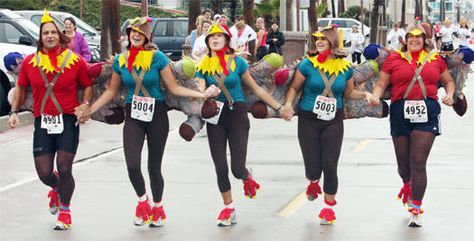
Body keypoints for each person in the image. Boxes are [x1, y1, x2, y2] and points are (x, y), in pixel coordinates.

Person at [79, 17, 220, 227]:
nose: (136, 35)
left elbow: (173, 88)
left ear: (147, 37)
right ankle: (142, 201)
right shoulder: (121, 60)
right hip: (133, 115)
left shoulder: (158, 58)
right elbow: (111, 90)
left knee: (154, 166)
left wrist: (200, 95)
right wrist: (90, 109)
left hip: (157, 115)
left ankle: (157, 206)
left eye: (140, 32)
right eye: (132, 31)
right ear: (128, 35)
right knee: (132, 164)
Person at [8, 10, 93, 230]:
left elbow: (88, 85)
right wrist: (14, 112)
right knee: (45, 172)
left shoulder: (74, 61)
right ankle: (56, 187)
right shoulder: (30, 62)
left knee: (65, 167)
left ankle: (65, 210)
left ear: (60, 35)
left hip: (67, 121)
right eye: (45, 33)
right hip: (43, 122)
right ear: (41, 37)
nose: (50, 36)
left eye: (53, 32)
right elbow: (20, 86)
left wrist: (85, 104)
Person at [281, 26, 372, 225]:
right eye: (317, 39)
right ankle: (313, 182)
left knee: (330, 164)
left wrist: (365, 94)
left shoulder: (345, 67)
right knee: (313, 167)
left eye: (323, 39)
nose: (319, 42)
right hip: (308, 119)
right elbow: (294, 87)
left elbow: (348, 93)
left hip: (333, 120)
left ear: (333, 42)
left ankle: (328, 208)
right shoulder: (307, 65)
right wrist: (287, 105)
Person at [195, 23, 283, 226]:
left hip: (237, 113)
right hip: (215, 116)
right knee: (220, 167)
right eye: (211, 37)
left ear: (227, 40)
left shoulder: (238, 63)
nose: (215, 39)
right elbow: (201, 90)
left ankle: (246, 175)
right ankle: (228, 207)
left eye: (219, 36)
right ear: (207, 42)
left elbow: (256, 90)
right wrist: (205, 94)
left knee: (236, 168)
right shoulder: (203, 65)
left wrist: (279, 108)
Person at [368, 22, 455, 227]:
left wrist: (450, 95)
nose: (415, 40)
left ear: (425, 40)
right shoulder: (394, 59)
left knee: (418, 162)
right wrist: (375, 97)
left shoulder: (435, 60)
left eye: (419, 36)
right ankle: (407, 185)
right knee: (403, 166)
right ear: (405, 40)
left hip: (428, 112)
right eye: (411, 36)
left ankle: (416, 208)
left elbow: (449, 81)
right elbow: (381, 83)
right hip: (400, 111)